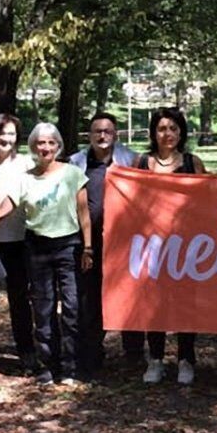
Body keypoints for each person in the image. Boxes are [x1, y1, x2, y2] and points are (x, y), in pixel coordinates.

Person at [135, 107, 206, 385]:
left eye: (174, 129)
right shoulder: (142, 163)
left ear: (181, 132)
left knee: (186, 303)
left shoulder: (192, 162)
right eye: (162, 128)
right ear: (154, 132)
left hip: (186, 247)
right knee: (154, 304)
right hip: (151, 246)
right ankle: (155, 359)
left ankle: (186, 360)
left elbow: (207, 201)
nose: (168, 134)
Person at [23, 122, 93, 386]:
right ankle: (47, 365)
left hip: (69, 246)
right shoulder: (26, 177)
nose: (46, 147)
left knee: (72, 307)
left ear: (58, 146)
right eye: (41, 143)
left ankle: (71, 366)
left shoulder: (73, 173)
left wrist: (88, 247)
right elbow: (4, 206)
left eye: (51, 142)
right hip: (37, 247)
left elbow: (84, 214)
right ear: (33, 146)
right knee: (43, 308)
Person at [69, 113, 138, 374]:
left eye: (107, 131)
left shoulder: (132, 160)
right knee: (90, 296)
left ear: (116, 134)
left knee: (129, 295)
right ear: (89, 135)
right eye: (97, 131)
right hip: (88, 242)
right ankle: (92, 353)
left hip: (124, 243)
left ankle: (133, 354)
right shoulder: (76, 163)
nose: (102, 136)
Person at [0, 113, 37, 372]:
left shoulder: (27, 164)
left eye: (11, 134)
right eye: (0, 133)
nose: (5, 139)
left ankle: (27, 352)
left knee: (20, 301)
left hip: (19, 241)